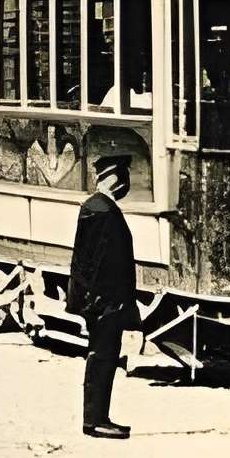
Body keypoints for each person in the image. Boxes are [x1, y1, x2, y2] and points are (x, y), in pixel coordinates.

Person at [71, 155, 138, 440]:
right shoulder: (105, 213)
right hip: (106, 302)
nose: (126, 184)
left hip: (98, 301)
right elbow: (102, 263)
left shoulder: (94, 207)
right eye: (123, 177)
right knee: (103, 358)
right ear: (113, 179)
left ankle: (97, 417)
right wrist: (107, 302)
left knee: (101, 357)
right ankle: (96, 420)